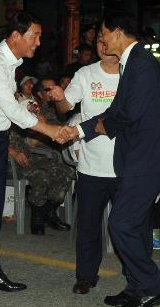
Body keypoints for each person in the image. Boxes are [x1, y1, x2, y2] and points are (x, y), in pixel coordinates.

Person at [58, 11, 160, 307]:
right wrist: (80, 129)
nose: (101, 40)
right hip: (136, 156)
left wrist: (90, 128)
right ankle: (135, 287)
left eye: (104, 34)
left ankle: (152, 286)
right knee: (130, 224)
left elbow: (125, 114)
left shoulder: (142, 66)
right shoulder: (132, 63)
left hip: (146, 158)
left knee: (121, 224)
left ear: (119, 33)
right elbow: (116, 109)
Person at [0, 12, 64, 297]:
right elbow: (9, 108)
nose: (38, 42)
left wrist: (24, 109)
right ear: (15, 36)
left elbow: (5, 104)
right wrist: (49, 130)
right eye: (34, 36)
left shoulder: (8, 63)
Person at [49, 39, 120, 291]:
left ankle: (137, 278)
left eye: (107, 39)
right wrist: (59, 98)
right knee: (88, 225)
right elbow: (66, 106)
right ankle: (86, 276)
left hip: (126, 166)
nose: (103, 45)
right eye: (99, 41)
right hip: (92, 166)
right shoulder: (85, 74)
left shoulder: (132, 74)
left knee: (130, 225)